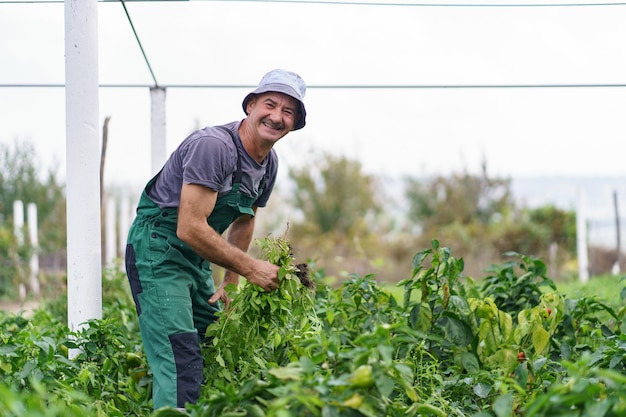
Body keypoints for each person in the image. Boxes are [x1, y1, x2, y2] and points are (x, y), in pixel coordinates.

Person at [124, 69, 307, 410]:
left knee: (216, 343)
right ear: (250, 105)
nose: (277, 116)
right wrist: (252, 267)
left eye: (288, 112)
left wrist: (232, 282)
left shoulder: (268, 163)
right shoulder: (215, 147)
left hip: (195, 258)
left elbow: (243, 220)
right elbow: (189, 227)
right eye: (270, 104)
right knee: (181, 358)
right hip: (157, 251)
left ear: (294, 123)